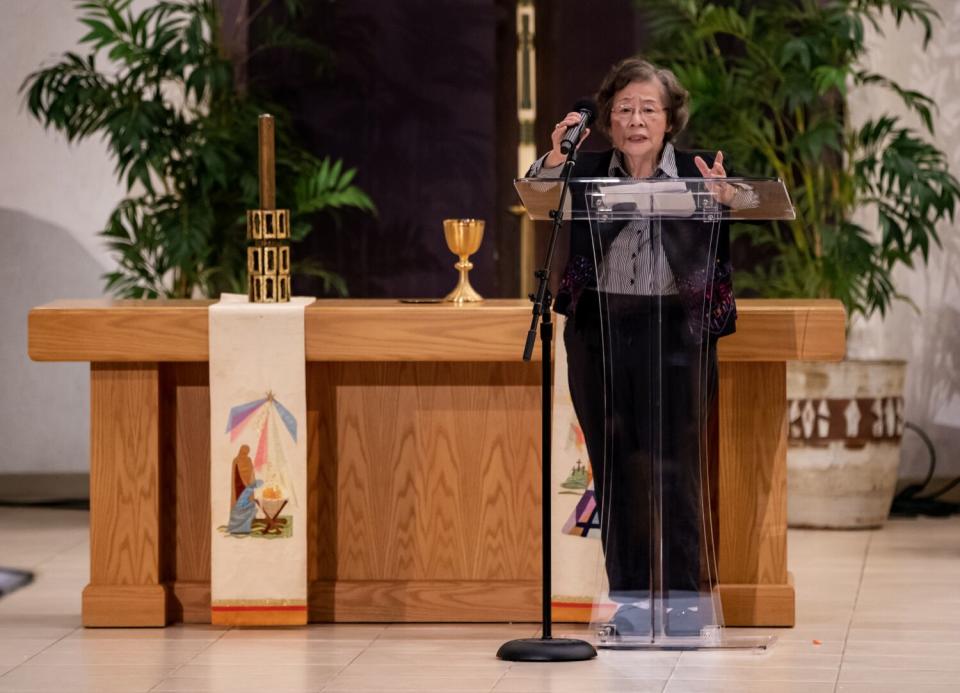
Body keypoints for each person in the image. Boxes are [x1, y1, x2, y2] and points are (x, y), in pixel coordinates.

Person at [528, 57, 742, 638]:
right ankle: (629, 607)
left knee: (677, 471)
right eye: (624, 109)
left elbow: (745, 207)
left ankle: (684, 608)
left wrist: (725, 200)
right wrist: (555, 154)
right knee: (617, 473)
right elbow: (539, 196)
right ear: (608, 120)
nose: (636, 119)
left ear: (670, 119)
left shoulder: (703, 171)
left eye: (649, 108)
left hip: (678, 331)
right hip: (602, 331)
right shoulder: (586, 169)